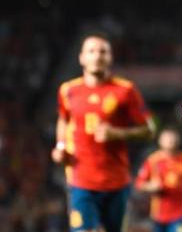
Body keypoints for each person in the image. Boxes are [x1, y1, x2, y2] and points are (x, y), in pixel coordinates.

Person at [51, 33, 155, 232]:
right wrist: (60, 146)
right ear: (81, 57)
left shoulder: (126, 90)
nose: (97, 56)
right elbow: (63, 120)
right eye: (91, 51)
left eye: (103, 51)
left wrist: (117, 134)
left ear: (110, 57)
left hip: (117, 180)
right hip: (80, 180)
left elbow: (149, 131)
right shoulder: (67, 91)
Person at [135, 128, 182, 232]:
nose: (170, 140)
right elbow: (139, 184)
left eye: (172, 137)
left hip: (180, 212)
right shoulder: (153, 160)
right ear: (160, 141)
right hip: (158, 213)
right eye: (167, 138)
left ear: (178, 139)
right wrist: (151, 186)